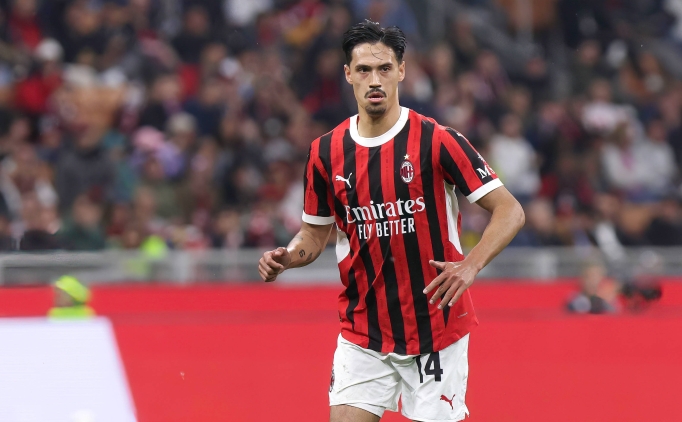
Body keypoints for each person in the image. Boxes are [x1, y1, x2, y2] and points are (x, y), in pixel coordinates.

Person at [257, 21, 524, 422]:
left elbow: (510, 210)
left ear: (401, 70)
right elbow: (313, 232)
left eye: (384, 68)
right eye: (363, 70)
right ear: (348, 74)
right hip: (364, 330)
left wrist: (471, 265)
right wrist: (288, 256)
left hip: (436, 328)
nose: (374, 80)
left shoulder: (437, 139)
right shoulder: (325, 152)